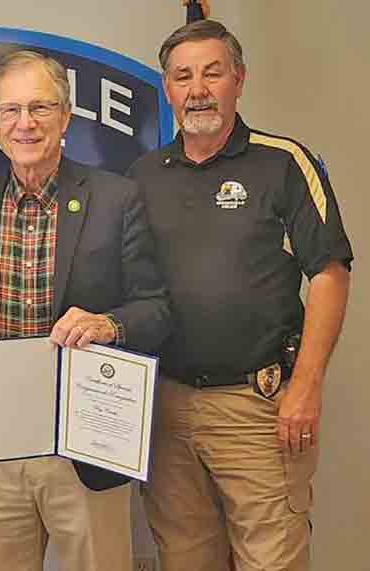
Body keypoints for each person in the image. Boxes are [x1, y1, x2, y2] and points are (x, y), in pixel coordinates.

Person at [127, 20, 353, 571]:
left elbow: (329, 273)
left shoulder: (283, 164)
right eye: (183, 76)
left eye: (212, 72)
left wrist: (307, 385)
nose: (197, 88)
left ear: (239, 79)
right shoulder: (142, 176)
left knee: (271, 561)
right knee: (185, 560)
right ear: (168, 88)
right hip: (166, 411)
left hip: (259, 410)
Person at [0, 50, 171, 571]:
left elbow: (158, 311)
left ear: (66, 116)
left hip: (86, 446)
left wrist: (108, 324)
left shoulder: (118, 199)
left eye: (41, 107)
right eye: (10, 110)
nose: (26, 123)